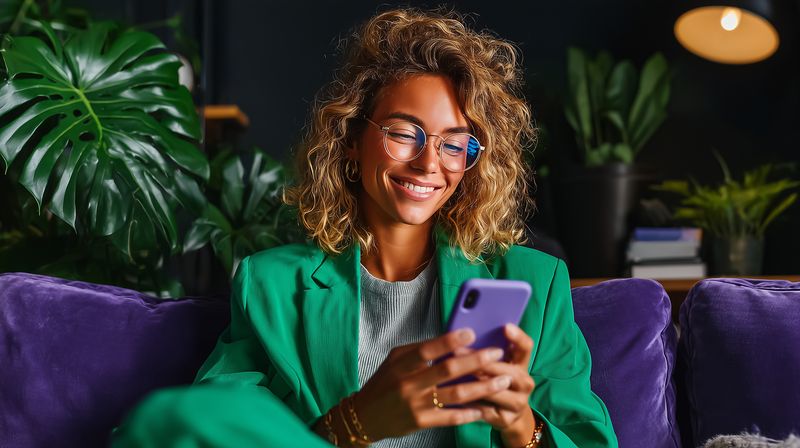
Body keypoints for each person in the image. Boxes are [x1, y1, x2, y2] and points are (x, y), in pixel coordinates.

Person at [111, 8, 617, 448]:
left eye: (454, 143)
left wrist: (522, 428)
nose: (427, 163)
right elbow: (205, 429)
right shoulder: (271, 286)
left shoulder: (535, 284)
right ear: (351, 139)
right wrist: (357, 421)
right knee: (166, 419)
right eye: (403, 133)